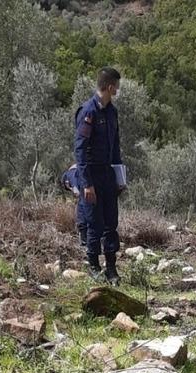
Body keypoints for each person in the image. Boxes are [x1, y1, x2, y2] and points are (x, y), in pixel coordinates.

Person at [74, 67, 125, 285]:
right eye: (117, 86)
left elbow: (116, 148)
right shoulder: (88, 112)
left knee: (111, 222)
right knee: (94, 223)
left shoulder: (112, 113)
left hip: (108, 175)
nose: (118, 90)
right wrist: (86, 183)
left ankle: (111, 267)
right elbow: (80, 150)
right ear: (110, 86)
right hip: (92, 175)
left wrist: (120, 177)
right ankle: (93, 266)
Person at [60, 163, 87, 247]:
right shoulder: (74, 172)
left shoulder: (70, 175)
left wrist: (75, 190)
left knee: (82, 206)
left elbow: (76, 191)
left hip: (82, 188)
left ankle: (84, 239)